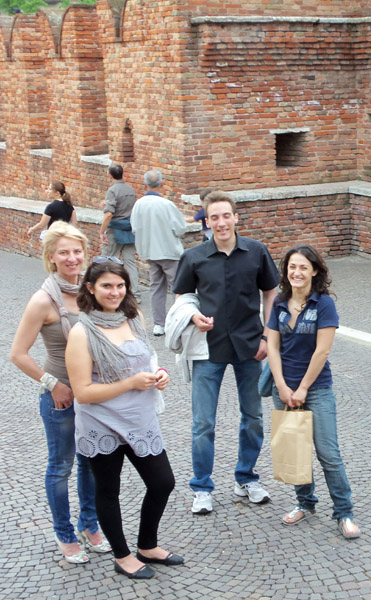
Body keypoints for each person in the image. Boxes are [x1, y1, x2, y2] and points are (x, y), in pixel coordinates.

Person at [65, 257, 181, 580]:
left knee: (163, 482)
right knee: (108, 490)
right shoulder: (81, 332)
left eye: (120, 285)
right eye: (106, 286)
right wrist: (130, 384)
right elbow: (83, 392)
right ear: (91, 288)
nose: (114, 292)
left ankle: (147, 546)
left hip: (140, 418)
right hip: (101, 422)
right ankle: (122, 555)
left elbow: (147, 360)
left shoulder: (134, 318)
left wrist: (160, 373)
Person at [173, 191, 280, 515]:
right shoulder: (193, 257)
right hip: (208, 348)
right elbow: (181, 299)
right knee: (203, 423)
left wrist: (267, 335)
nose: (220, 223)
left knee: (253, 418)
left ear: (236, 217)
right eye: (214, 217)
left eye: (225, 216)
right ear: (206, 221)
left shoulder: (256, 251)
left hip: (250, 346)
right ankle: (202, 487)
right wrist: (194, 317)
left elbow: (271, 292)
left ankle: (246, 478)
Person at [10, 222, 110, 565]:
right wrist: (54, 385)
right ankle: (64, 534)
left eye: (77, 251)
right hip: (61, 397)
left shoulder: (91, 290)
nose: (72, 258)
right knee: (61, 466)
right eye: (64, 252)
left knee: (92, 462)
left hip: (92, 394)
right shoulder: (43, 300)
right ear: (51, 257)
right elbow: (18, 354)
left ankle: (89, 525)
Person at [266, 245, 360, 539]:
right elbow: (272, 347)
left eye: (303, 267)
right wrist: (283, 386)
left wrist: (303, 388)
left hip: (316, 389)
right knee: (295, 447)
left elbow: (323, 351)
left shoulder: (324, 304)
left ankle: (344, 512)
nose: (297, 272)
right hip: (283, 389)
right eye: (292, 267)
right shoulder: (279, 302)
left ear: (315, 271)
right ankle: (305, 503)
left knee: (328, 453)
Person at [130, 170, 188, 336]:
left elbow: (134, 228)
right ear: (162, 184)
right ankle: (179, 321)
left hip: (149, 252)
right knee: (178, 287)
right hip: (169, 251)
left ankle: (158, 324)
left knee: (156, 287)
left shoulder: (138, 205)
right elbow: (181, 228)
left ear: (145, 184)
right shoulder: (166, 205)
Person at [99, 164, 139, 297]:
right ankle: (134, 292)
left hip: (115, 229)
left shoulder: (112, 190)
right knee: (129, 261)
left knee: (106, 260)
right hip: (129, 229)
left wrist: (101, 232)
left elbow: (109, 214)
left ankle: (104, 289)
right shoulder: (130, 190)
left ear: (110, 175)